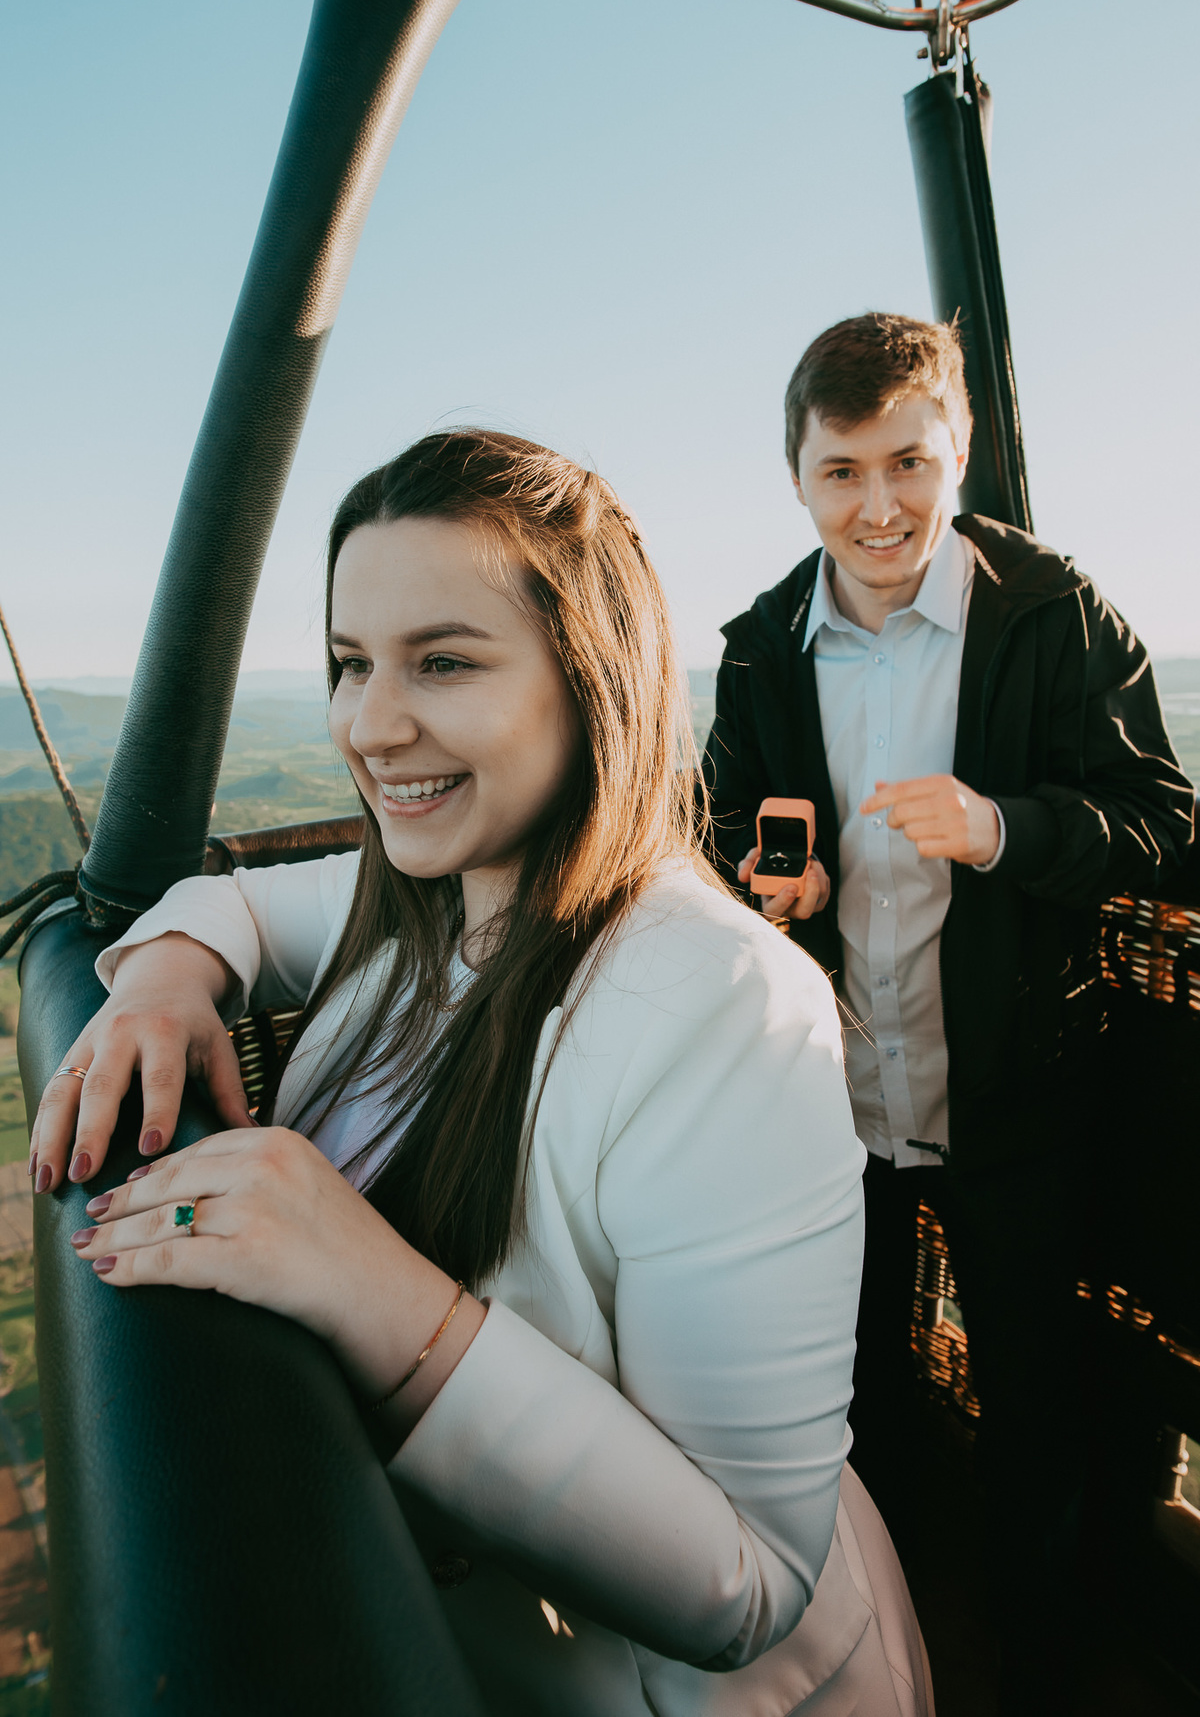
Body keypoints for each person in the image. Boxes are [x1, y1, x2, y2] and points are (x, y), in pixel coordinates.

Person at [31, 430, 934, 1717]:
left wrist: (369, 1288)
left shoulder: (729, 1005)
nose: (369, 725)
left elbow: (746, 1584)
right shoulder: (435, 887)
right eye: (351, 664)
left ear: (589, 680)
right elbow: (230, 907)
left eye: (443, 662)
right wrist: (167, 980)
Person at [703, 313, 1194, 1712]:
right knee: (843, 1409)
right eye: (842, 470)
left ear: (958, 451)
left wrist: (1004, 828)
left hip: (1021, 1102)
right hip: (825, 1110)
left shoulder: (1055, 614)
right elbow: (726, 824)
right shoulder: (754, 651)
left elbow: (1166, 822)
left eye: (908, 462)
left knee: (1039, 1411)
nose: (880, 505)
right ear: (796, 477)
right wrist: (759, 881)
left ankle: (1035, 1669)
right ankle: (878, 1659)